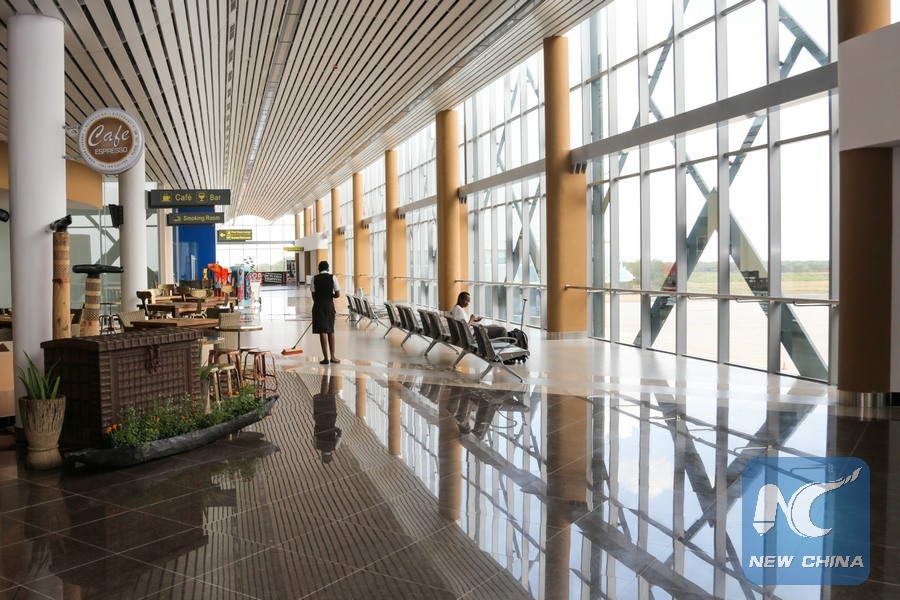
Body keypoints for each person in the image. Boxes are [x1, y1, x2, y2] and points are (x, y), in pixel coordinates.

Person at [311, 260, 340, 364]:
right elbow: (337, 294)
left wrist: (320, 299)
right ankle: (333, 357)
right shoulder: (333, 277)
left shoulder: (314, 278)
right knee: (330, 330)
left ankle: (325, 358)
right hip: (329, 305)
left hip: (318, 306)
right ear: (328, 269)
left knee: (322, 331)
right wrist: (329, 295)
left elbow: (313, 295)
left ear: (318, 269)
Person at [312, 371, 342, 463]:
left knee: (331, 394)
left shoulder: (335, 447)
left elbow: (339, 432)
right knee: (323, 394)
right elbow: (315, 432)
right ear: (322, 455)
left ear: (330, 455)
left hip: (330, 419)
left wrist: (333, 429)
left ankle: (333, 371)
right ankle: (325, 371)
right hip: (319, 418)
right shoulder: (317, 446)